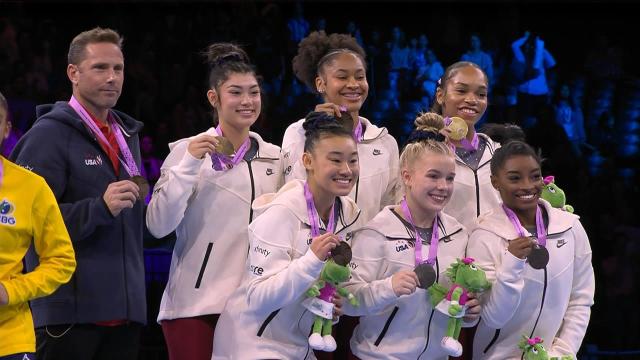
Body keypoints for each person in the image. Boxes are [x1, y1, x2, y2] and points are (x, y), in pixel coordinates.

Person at [10, 27, 146, 359]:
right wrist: (98, 208)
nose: (112, 77)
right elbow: (23, 227)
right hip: (68, 319)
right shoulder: (47, 137)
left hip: (123, 317)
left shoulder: (126, 135)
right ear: (73, 73)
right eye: (100, 67)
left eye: (118, 68)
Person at [146, 43, 283, 360]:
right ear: (214, 98)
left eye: (253, 92)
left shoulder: (277, 159)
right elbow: (157, 225)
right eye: (235, 92)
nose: (247, 101)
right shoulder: (185, 152)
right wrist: (190, 164)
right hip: (196, 306)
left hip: (255, 307)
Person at [212, 111, 365, 359]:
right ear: (307, 161)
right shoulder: (281, 213)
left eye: (353, 160)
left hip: (299, 346)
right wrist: (311, 262)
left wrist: (332, 305)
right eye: (336, 160)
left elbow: (320, 286)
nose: (346, 170)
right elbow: (258, 297)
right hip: (252, 344)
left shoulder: (348, 217)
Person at [343, 112, 480, 359]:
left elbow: (454, 300)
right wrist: (388, 287)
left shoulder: (458, 234)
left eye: (450, 178)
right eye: (433, 176)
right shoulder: (376, 233)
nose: (443, 186)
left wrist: (468, 313)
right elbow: (347, 300)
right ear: (407, 176)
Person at [467, 139, 594, 359]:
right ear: (495, 182)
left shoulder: (570, 227)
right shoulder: (484, 236)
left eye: (535, 176)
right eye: (514, 178)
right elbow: (494, 317)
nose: (527, 185)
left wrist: (564, 352)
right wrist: (512, 262)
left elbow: (580, 298)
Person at [283, 30, 401, 224]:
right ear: (321, 83)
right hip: (312, 250)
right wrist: (317, 134)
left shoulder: (385, 142)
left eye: (360, 77)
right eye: (343, 77)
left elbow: (389, 207)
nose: (354, 84)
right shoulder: (299, 133)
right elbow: (292, 191)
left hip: (369, 252)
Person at [0, 91, 75, 360]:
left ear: (6, 129)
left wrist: (11, 291)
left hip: (9, 340)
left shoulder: (31, 187)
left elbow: (62, 261)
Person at [432, 61, 501, 232]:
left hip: (495, 255)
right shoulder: (422, 153)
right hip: (445, 255)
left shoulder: (500, 154)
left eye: (481, 94)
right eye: (461, 91)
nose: (472, 100)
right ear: (440, 95)